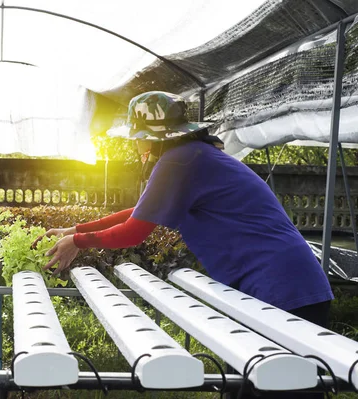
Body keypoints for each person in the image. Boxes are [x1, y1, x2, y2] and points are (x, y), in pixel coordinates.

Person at [35, 91, 333, 398]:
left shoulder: (180, 160)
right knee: (248, 385)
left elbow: (134, 231)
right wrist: (77, 228)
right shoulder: (192, 156)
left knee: (282, 388)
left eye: (137, 137)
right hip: (276, 283)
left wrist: (79, 241)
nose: (136, 144)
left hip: (283, 288)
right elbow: (141, 211)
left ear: (150, 138)